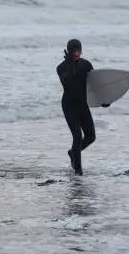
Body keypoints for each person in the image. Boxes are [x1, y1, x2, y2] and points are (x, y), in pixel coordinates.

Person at [56, 39, 109, 175]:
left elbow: (94, 85)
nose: (76, 54)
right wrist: (70, 66)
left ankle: (73, 152)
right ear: (68, 51)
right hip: (69, 106)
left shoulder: (86, 65)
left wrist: (103, 100)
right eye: (74, 51)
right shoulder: (61, 68)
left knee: (91, 136)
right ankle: (78, 172)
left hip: (82, 104)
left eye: (78, 51)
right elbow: (67, 83)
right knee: (78, 137)